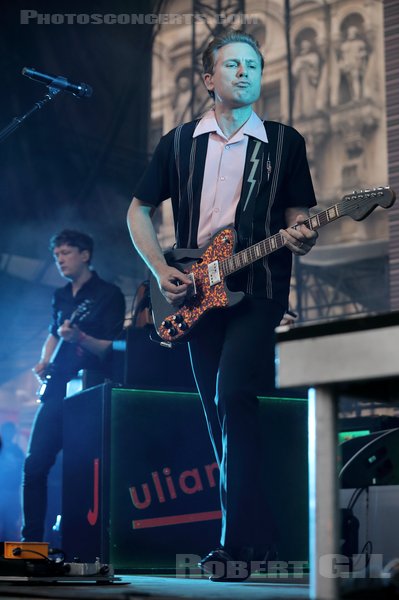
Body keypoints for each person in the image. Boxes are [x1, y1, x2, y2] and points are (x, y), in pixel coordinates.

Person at [127, 29, 318, 581]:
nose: (244, 72)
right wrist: (161, 270)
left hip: (257, 287)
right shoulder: (178, 142)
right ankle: (259, 538)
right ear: (209, 79)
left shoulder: (284, 141)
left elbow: (296, 218)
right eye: (232, 65)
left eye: (253, 65)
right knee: (218, 414)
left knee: (233, 393)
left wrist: (302, 234)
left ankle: (233, 544)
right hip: (192, 288)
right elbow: (138, 211)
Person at [22, 229, 125, 542]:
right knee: (35, 465)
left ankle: (86, 541)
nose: (60, 261)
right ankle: (31, 542)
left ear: (85, 254)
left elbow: (109, 348)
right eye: (56, 256)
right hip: (57, 387)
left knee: (85, 469)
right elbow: (54, 333)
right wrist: (44, 360)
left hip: (90, 392)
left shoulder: (109, 294)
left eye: (65, 254)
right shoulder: (61, 295)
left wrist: (79, 337)